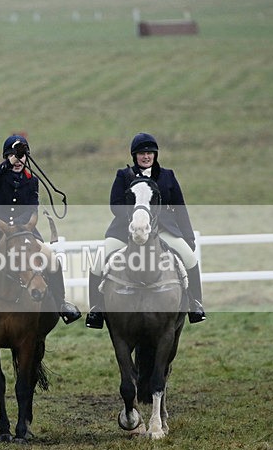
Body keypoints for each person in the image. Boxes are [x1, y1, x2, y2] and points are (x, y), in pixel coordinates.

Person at [0, 134, 81, 325]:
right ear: (6, 157)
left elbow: (31, 209)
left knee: (51, 259)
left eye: (22, 156)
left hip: (24, 232)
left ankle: (61, 305)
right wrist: (9, 162)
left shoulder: (32, 181)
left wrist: (17, 227)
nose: (19, 160)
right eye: (13, 155)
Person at [85, 132, 206, 328]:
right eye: (142, 153)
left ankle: (196, 304)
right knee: (97, 262)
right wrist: (136, 221)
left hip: (163, 229)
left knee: (190, 259)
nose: (146, 156)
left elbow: (180, 208)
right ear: (135, 156)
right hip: (126, 230)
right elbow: (115, 205)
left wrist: (188, 237)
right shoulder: (123, 175)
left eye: (150, 152)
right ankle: (95, 311)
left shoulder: (167, 176)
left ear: (155, 154)